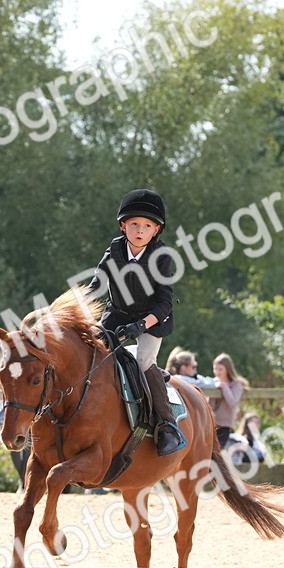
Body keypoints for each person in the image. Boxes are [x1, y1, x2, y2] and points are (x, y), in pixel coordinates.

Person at [85, 188, 186, 456]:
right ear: (123, 226)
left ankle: (166, 425)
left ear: (156, 231)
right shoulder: (114, 250)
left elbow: (164, 303)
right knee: (90, 351)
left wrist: (142, 325)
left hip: (153, 319)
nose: (139, 230)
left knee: (143, 361)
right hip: (117, 314)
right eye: (134, 225)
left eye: (146, 226)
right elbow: (95, 288)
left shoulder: (162, 258)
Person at [210, 352, 247, 449]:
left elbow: (233, 402)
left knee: (217, 451)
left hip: (225, 425)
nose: (217, 372)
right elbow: (209, 405)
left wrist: (224, 387)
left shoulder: (237, 384)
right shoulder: (213, 382)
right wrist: (213, 388)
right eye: (215, 368)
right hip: (211, 423)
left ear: (228, 369)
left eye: (220, 369)